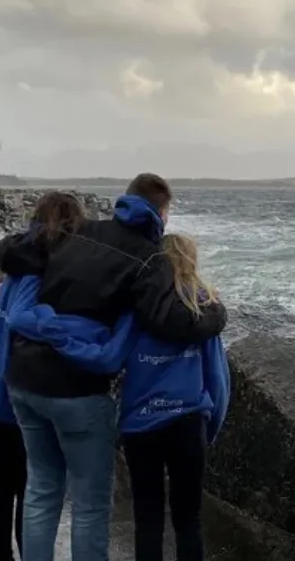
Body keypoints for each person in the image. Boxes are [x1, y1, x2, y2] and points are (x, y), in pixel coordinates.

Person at [0, 174, 227, 561]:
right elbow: (172, 321)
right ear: (161, 213)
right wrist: (216, 314)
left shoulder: (79, 231)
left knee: (41, 489)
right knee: (88, 503)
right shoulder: (148, 256)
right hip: (76, 389)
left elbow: (15, 252)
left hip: (24, 379)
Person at [0, 192, 127, 561]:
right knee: (28, 485)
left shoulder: (18, 259)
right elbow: (25, 320)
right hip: (15, 385)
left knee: (6, 482)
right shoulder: (37, 268)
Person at [119, 234, 230, 561]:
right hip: (188, 421)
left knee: (148, 519)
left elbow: (117, 361)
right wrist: (211, 426)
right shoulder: (203, 306)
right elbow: (217, 378)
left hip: (140, 424)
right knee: (188, 519)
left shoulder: (136, 306)